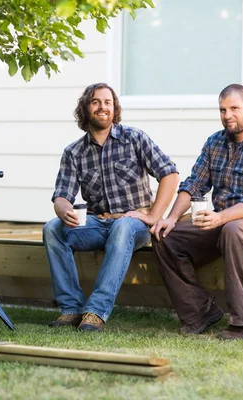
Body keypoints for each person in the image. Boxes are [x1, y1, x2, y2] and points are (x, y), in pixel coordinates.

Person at [150, 84, 243, 340]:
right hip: (223, 220)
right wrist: (169, 219)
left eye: (234, 108)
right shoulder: (215, 142)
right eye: (223, 110)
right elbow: (194, 184)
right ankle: (200, 312)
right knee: (166, 236)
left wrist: (221, 218)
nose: (228, 115)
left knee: (234, 230)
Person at [43, 83, 179, 331]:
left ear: (115, 108)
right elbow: (62, 196)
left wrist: (153, 216)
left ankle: (96, 310)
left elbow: (169, 175)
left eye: (108, 102)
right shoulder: (74, 152)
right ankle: (71, 309)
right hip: (97, 223)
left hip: (134, 225)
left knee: (124, 226)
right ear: (86, 108)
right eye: (95, 102)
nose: (102, 106)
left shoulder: (134, 138)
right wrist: (63, 211)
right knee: (52, 228)